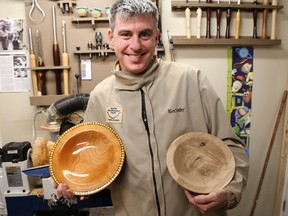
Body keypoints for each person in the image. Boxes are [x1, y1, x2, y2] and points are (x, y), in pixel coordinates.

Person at [57, 0, 249, 215]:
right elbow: (94, 167)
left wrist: (229, 192)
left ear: (156, 37)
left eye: (145, 34)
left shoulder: (190, 80)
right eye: (126, 34)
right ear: (111, 38)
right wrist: (74, 184)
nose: (136, 45)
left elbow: (230, 145)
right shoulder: (101, 97)